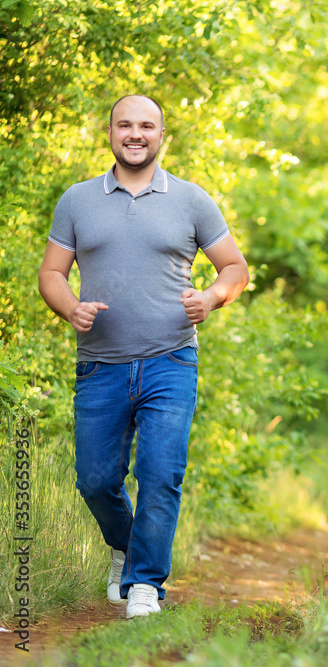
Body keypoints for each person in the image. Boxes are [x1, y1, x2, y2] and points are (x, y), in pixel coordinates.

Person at [37, 94, 249, 619]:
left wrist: (211, 298)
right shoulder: (78, 200)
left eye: (147, 126)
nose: (136, 134)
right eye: (125, 125)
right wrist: (71, 309)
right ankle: (127, 550)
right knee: (96, 480)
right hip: (100, 364)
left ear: (162, 136)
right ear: (109, 132)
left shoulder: (192, 200)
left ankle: (144, 585)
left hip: (170, 361)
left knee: (160, 473)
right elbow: (51, 274)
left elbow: (235, 269)